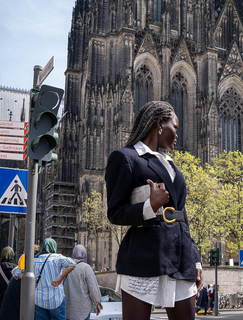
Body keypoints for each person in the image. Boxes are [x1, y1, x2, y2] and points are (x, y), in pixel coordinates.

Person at [105, 101, 202, 320]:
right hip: (144, 256)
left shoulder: (172, 164)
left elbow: (182, 218)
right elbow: (115, 212)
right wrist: (150, 206)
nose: (177, 134)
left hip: (180, 258)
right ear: (160, 124)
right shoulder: (126, 157)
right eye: (175, 127)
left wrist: (195, 259)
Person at [12, 238, 76, 320]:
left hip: (39, 299)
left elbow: (15, 271)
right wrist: (60, 278)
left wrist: (32, 281)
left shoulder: (34, 260)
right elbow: (72, 264)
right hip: (55, 299)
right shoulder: (57, 258)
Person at [63, 245, 102, 320]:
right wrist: (97, 303)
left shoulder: (65, 267)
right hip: (83, 310)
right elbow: (93, 288)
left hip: (67, 310)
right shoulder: (86, 268)